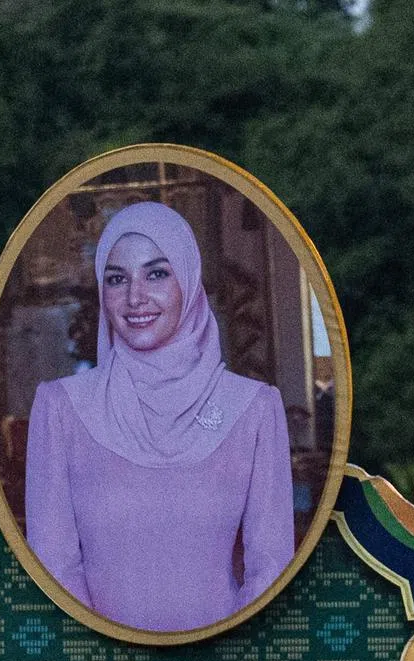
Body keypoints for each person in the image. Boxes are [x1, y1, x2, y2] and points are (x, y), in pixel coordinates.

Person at [24, 200, 294, 632]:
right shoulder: (60, 408)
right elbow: (53, 566)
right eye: (117, 279)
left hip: (223, 659)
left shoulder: (254, 408)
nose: (135, 297)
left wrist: (226, 654)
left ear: (188, 279)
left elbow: (270, 567)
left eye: (156, 274)